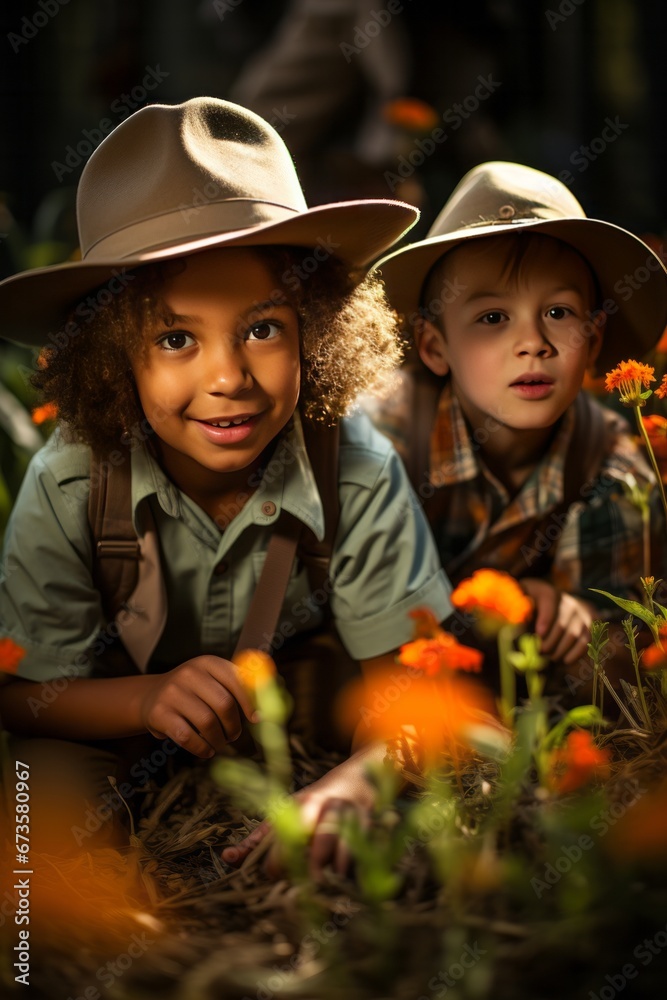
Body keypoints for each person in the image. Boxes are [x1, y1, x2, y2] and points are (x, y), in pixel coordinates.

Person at [0, 97, 453, 874]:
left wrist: (362, 777)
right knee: (36, 796)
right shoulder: (71, 479)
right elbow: (20, 695)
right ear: (113, 360)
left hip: (302, 737)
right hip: (112, 737)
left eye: (263, 329)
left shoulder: (357, 468)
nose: (228, 378)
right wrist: (145, 700)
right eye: (177, 339)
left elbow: (416, 681)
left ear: (316, 327)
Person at [367, 160, 667, 693]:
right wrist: (513, 596)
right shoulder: (380, 442)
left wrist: (581, 621)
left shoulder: (612, 472)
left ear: (594, 343)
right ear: (435, 347)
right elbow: (368, 618)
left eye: (558, 313)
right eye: (492, 318)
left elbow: (619, 678)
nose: (534, 343)